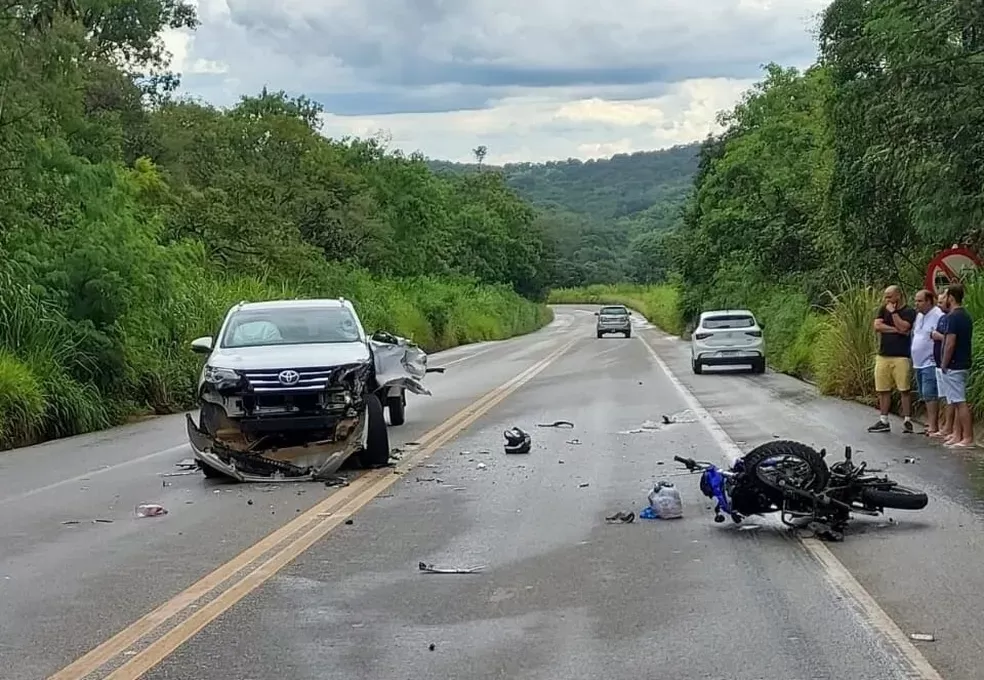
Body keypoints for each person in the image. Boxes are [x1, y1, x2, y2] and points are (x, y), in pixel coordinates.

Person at [868, 285, 917, 433]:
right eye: (886, 296)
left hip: (901, 356)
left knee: (904, 389)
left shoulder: (908, 311)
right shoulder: (883, 309)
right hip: (884, 354)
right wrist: (895, 329)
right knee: (883, 389)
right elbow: (877, 326)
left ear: (898, 295)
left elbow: (904, 327)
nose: (887, 299)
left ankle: (907, 420)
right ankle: (884, 420)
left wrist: (894, 313)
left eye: (889, 296)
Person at [939, 283, 974, 447]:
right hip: (962, 362)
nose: (944, 299)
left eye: (945, 296)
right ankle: (957, 434)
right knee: (955, 401)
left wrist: (944, 363)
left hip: (954, 364)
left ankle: (967, 437)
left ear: (951, 298)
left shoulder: (952, 317)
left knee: (959, 401)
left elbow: (950, 343)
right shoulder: (965, 315)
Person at [911, 289, 945, 435]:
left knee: (930, 393)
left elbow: (944, 336)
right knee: (924, 394)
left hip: (930, 361)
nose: (916, 304)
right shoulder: (919, 316)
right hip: (918, 362)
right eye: (916, 300)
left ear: (929, 301)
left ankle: (934, 425)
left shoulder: (938, 315)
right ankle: (930, 422)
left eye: (920, 301)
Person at [930, 291, 953, 439]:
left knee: (951, 398)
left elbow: (951, 340)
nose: (938, 306)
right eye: (937, 303)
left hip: (947, 364)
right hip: (938, 362)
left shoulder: (952, 319)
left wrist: (938, 336)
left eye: (941, 302)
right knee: (943, 397)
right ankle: (944, 425)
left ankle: (949, 427)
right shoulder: (942, 318)